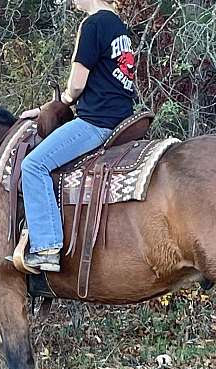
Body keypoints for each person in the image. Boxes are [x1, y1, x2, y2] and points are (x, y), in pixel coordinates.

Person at [15, 0, 137, 272]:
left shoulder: (92, 24)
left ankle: (46, 247)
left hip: (96, 122)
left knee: (33, 165)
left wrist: (65, 100)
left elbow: (77, 84)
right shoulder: (119, 27)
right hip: (122, 119)